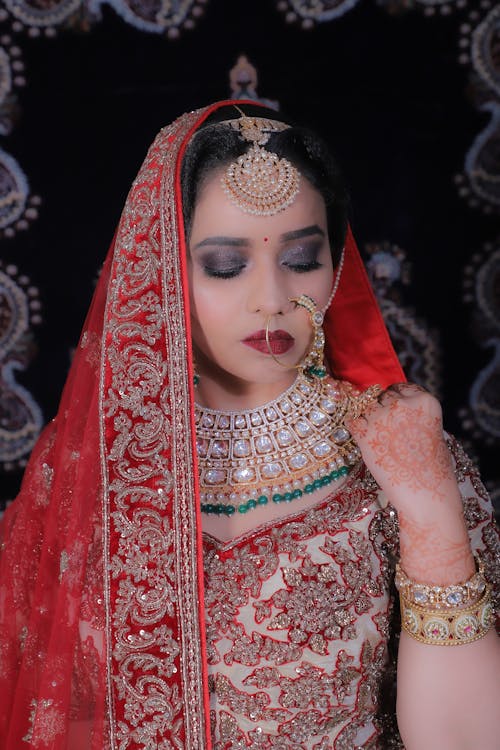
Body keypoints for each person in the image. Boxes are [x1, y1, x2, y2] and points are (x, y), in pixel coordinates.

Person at [0, 99, 499, 750]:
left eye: (301, 258)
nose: (270, 297)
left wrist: (432, 521)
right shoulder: (85, 461)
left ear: (338, 266)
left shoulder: (405, 454)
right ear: (161, 270)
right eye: (226, 264)